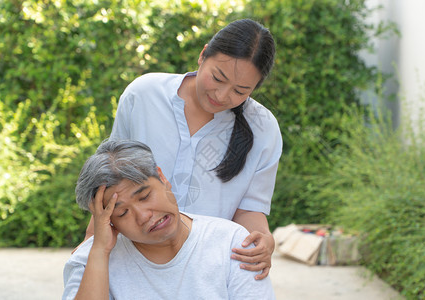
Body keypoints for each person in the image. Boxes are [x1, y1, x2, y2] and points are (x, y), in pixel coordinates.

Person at [83, 18, 282, 280]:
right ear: (203, 54)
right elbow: (109, 184)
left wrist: (264, 240)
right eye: (218, 78)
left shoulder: (263, 128)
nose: (222, 96)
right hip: (131, 261)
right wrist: (89, 250)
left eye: (240, 91)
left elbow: (249, 210)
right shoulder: (143, 95)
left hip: (206, 271)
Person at [63, 140, 276, 299]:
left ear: (162, 179)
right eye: (122, 213)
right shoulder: (89, 260)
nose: (144, 215)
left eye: (145, 196)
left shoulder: (231, 242)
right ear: (108, 221)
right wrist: (99, 251)